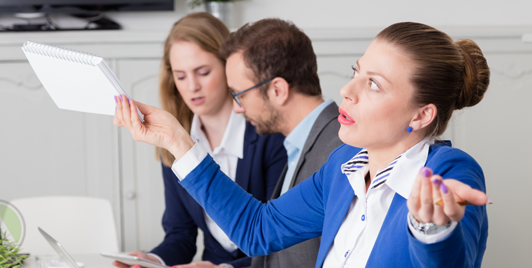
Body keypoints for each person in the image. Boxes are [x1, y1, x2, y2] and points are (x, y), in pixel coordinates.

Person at [114, 21, 491, 267]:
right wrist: (178, 141)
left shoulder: (450, 171)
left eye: (373, 84)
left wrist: (432, 231)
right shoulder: (344, 166)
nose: (347, 91)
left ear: (421, 116)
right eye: (356, 73)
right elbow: (257, 228)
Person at [113, 13, 287, 268]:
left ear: (229, 68)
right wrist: (152, 259)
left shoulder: (270, 136)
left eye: (203, 72)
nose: (192, 86)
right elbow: (181, 235)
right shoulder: (174, 140)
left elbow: (283, 241)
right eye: (181, 76)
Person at [219, 19, 343, 268]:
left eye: (239, 94)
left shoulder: (337, 149)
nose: (236, 107)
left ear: (277, 90)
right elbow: (286, 252)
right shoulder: (301, 142)